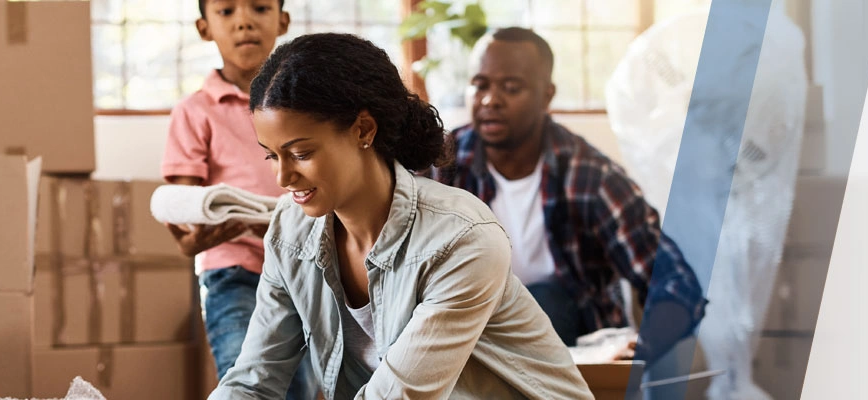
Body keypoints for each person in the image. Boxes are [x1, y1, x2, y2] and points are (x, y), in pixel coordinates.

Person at [210, 32, 594, 400]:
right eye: (271, 155)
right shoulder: (290, 231)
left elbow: (398, 396)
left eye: (302, 153)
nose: (282, 177)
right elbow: (253, 381)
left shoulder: (460, 239)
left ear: (363, 129)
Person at [433, 27, 707, 362]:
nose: (490, 100)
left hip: (574, 352)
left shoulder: (592, 176)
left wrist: (645, 346)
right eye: (480, 85)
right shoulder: (442, 167)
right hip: (469, 345)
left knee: (543, 300)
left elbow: (677, 285)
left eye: (511, 87)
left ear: (546, 96)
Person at [160, 0, 315, 397]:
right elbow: (183, 205)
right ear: (203, 27)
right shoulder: (195, 111)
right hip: (235, 272)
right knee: (249, 378)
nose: (244, 21)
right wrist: (196, 232)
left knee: (305, 385)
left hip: (308, 267)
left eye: (259, 8)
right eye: (227, 11)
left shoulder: (308, 105)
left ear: (282, 21)